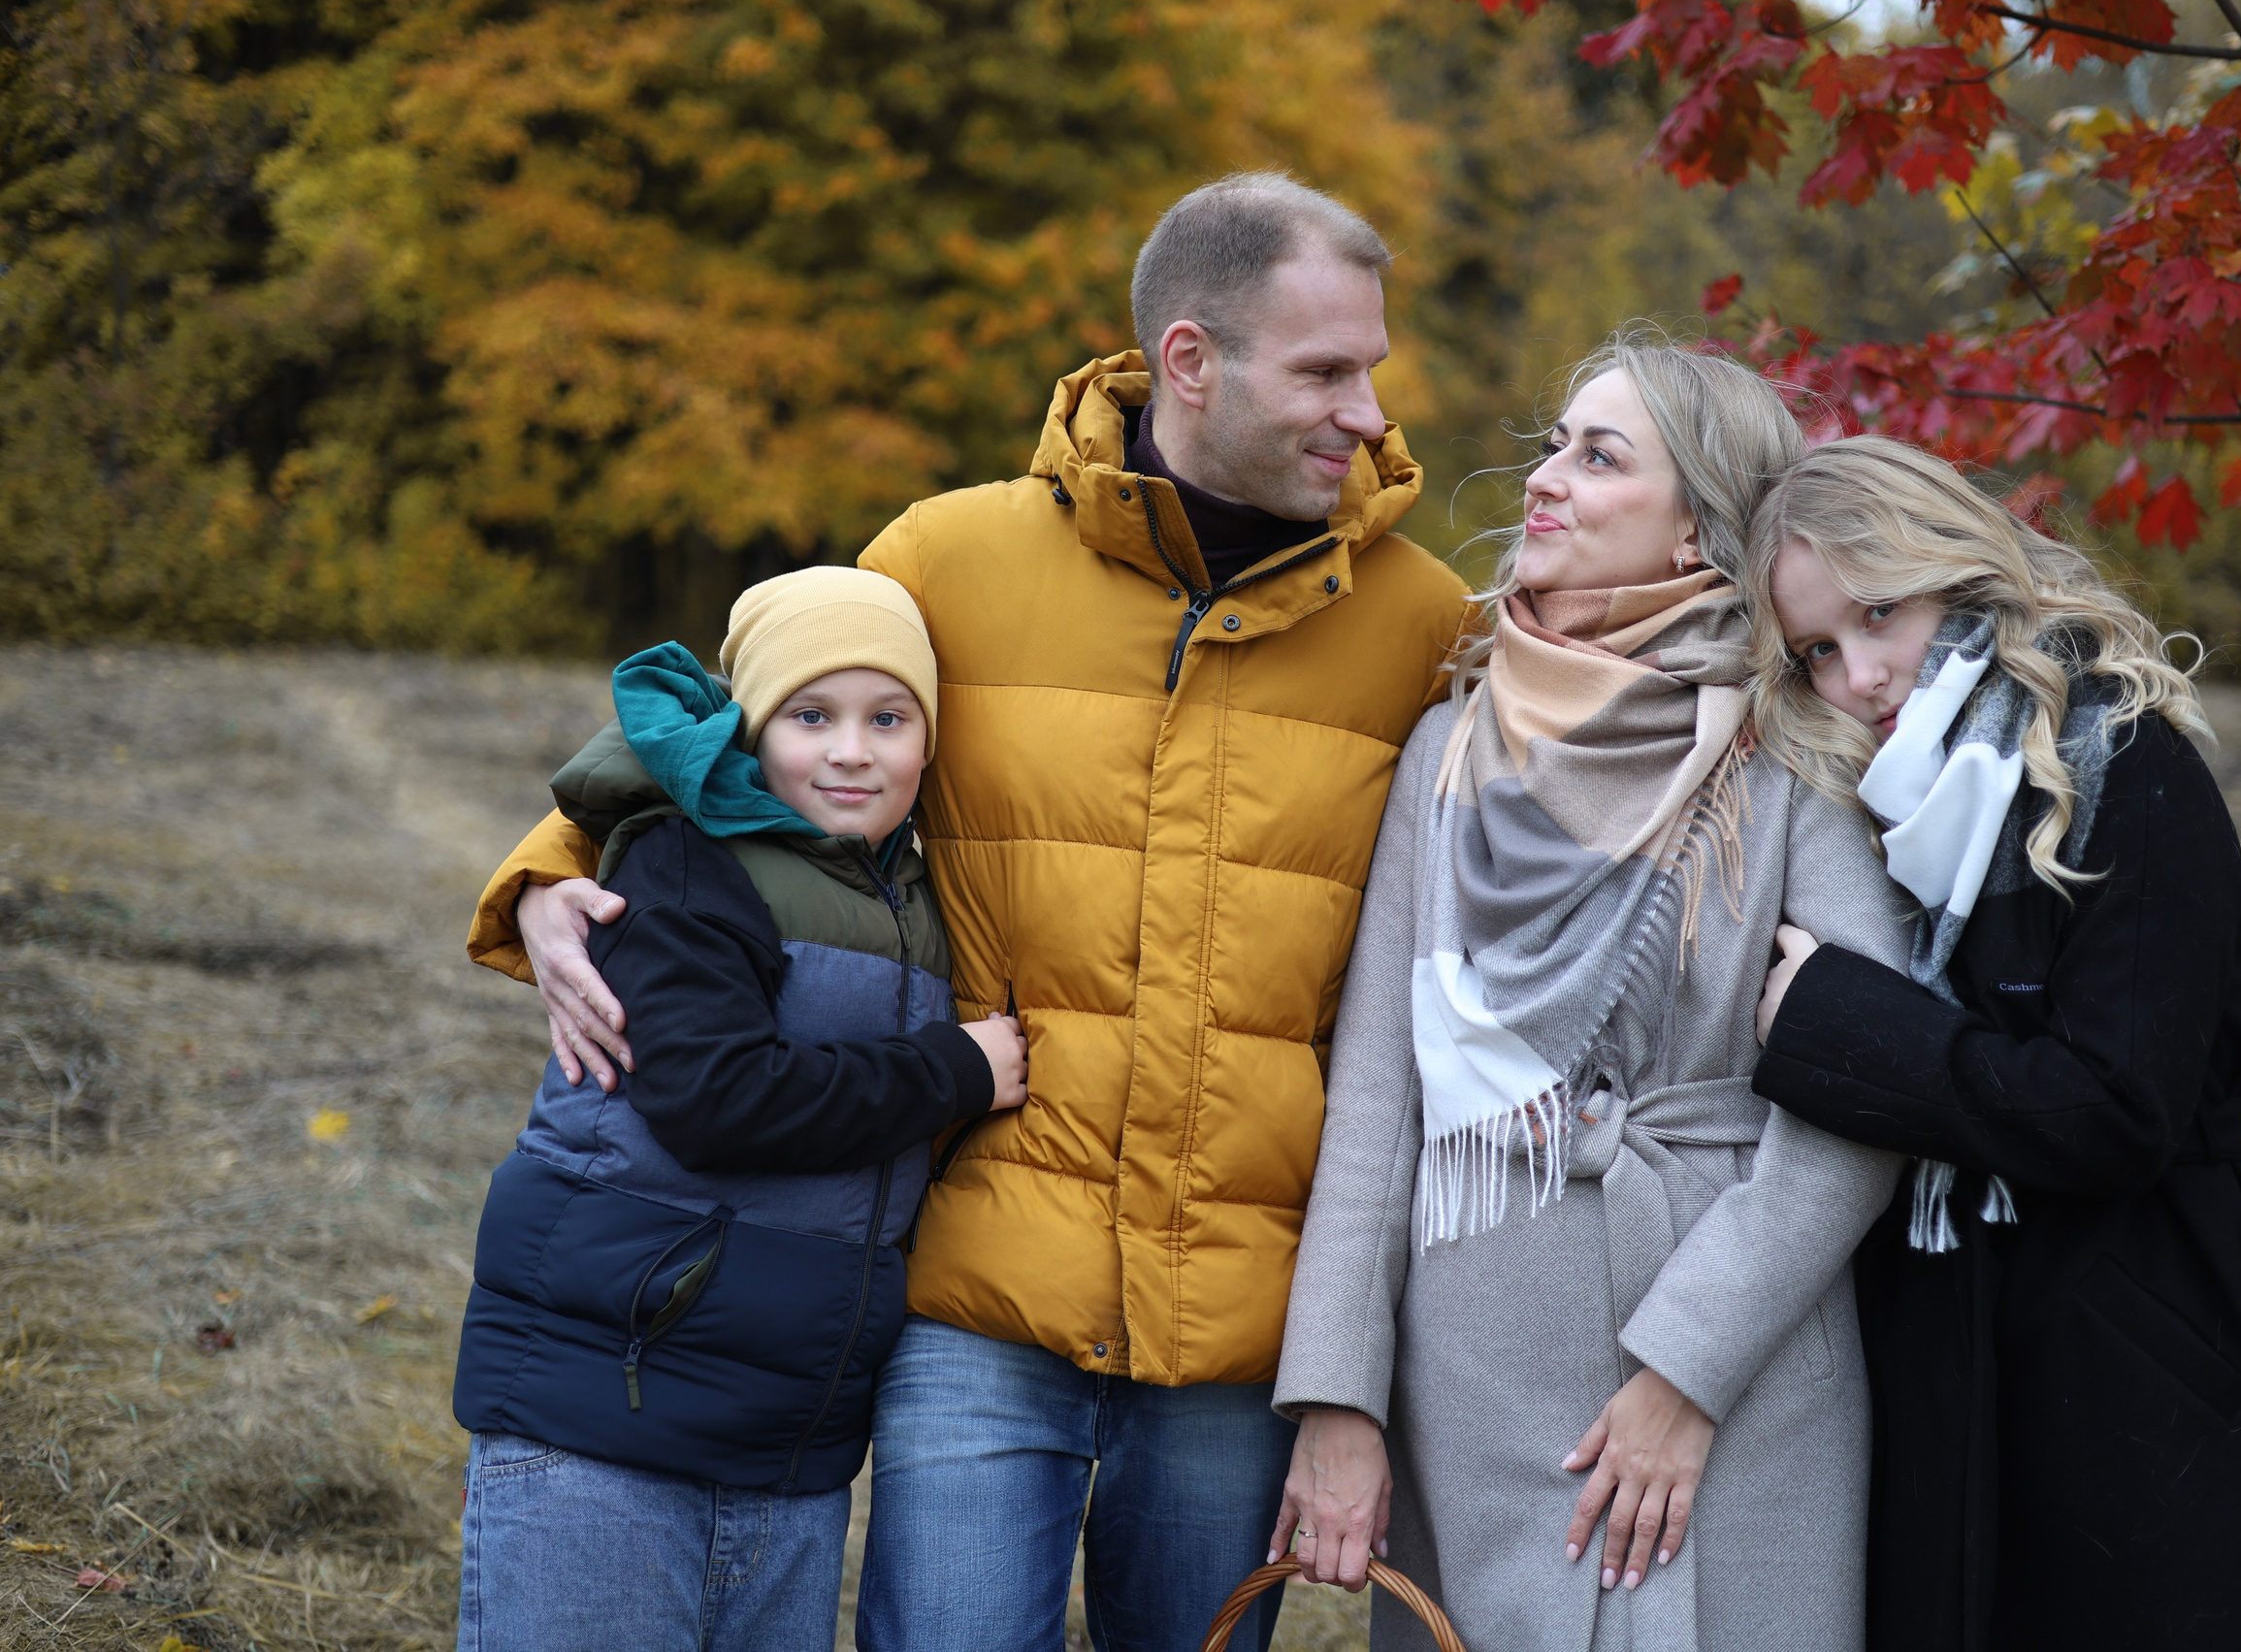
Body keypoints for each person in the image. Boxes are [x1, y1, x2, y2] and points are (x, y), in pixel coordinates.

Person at [461, 172, 1473, 1651]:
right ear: (1191, 360)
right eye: (1326, 368)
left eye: (1372, 364)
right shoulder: (955, 555)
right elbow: (755, 727)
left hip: (1239, 1320)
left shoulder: (1422, 620)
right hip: (981, 1283)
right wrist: (555, 871)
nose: (1369, 409)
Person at [1269, 331, 1916, 1651]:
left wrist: (1690, 1367)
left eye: (1601, 455)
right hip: (1479, 1383)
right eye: (1556, 443)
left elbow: (1866, 1093)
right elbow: (1377, 1104)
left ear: (1698, 535)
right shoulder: (1450, 746)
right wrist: (1340, 1397)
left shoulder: (1790, 755)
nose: (1546, 478)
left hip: (1746, 1371)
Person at [1739, 436, 2241, 1652]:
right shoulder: (1867, 810)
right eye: (1815, 650)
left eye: (1877, 613)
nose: (1857, 675)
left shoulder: (2123, 764)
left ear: (1953, 572)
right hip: (1945, 1348)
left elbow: (2113, 1108)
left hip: (2144, 1353)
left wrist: (1840, 1027)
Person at [452, 566, 1029, 1650]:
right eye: (811, 716)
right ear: (751, 729)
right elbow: (716, 1099)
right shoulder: (685, 866)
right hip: (610, 1412)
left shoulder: (910, 891)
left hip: (783, 1445)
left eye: (888, 719)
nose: (852, 749)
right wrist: (952, 1070)